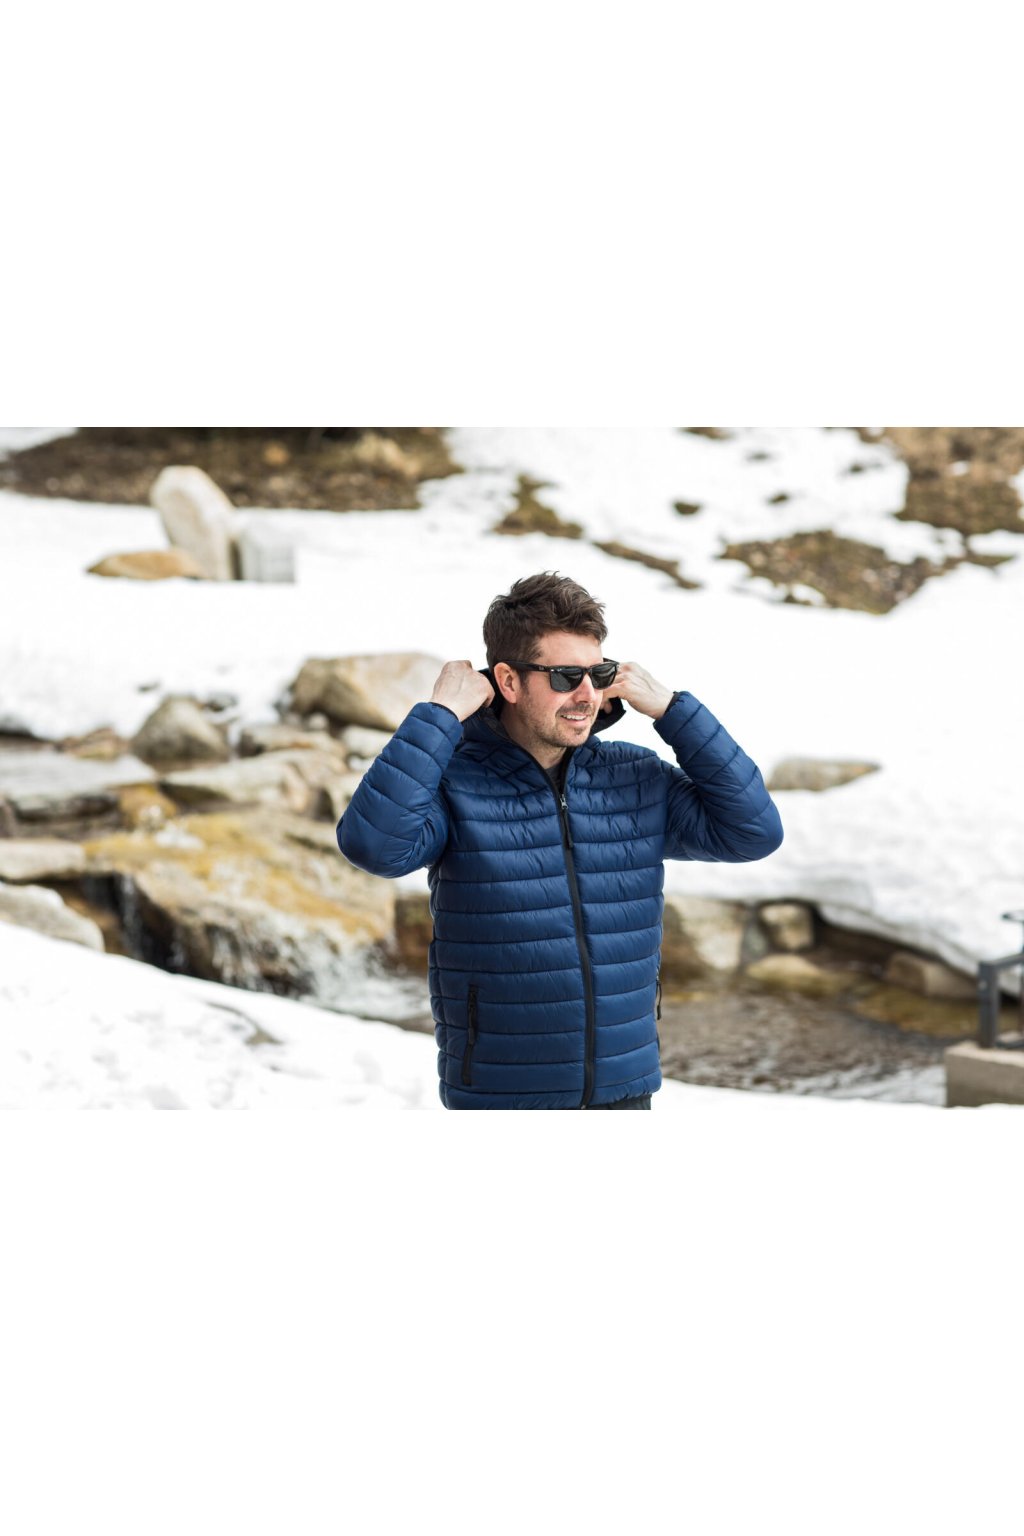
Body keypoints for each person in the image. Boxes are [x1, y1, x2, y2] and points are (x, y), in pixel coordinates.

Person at [337, 571, 783, 1110]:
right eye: (566, 676)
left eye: (599, 673)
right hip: (502, 1095)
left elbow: (753, 832)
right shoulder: (454, 782)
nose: (587, 694)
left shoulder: (635, 776)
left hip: (624, 1089)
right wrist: (440, 717)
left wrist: (674, 710)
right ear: (508, 681)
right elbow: (373, 846)